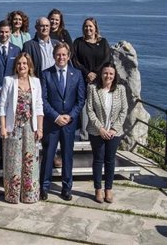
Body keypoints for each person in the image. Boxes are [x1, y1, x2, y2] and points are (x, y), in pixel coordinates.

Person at [40, 42, 86, 201]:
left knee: (67, 156)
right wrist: (56, 116)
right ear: (54, 56)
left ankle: (67, 188)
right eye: (58, 55)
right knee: (48, 155)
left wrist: (70, 116)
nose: (61, 57)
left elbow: (81, 100)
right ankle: (44, 187)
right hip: (52, 122)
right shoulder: (46, 74)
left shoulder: (77, 74)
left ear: (69, 56)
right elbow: (43, 99)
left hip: (69, 123)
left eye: (64, 55)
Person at [0, 53, 44, 204]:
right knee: (13, 161)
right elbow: (3, 105)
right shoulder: (9, 81)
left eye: (25, 63)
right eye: (19, 64)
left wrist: (40, 128)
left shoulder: (36, 82)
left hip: (30, 128)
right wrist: (3, 127)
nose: (22, 66)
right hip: (14, 127)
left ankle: (29, 194)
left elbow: (39, 106)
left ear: (29, 66)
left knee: (30, 160)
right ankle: (12, 195)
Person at [85, 62, 127, 204]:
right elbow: (89, 110)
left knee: (110, 160)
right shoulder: (92, 88)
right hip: (97, 131)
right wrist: (101, 129)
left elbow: (124, 110)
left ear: (114, 76)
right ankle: (98, 189)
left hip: (115, 132)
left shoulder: (120, 89)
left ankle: (108, 189)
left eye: (111, 73)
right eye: (105, 73)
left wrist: (114, 129)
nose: (108, 76)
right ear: (101, 74)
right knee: (98, 160)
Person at [0, 19, 21, 169]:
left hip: (11, 97)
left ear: (11, 33)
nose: (4, 34)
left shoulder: (16, 50)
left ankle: (8, 163)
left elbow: (18, 73)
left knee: (10, 130)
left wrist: (9, 90)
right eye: (2, 31)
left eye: (7, 32)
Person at [73, 17, 111, 141]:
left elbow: (106, 59)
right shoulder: (78, 42)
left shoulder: (103, 42)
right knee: (84, 108)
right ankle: (84, 135)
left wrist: (95, 73)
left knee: (99, 105)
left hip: (99, 80)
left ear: (95, 28)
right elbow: (74, 60)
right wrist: (87, 73)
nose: (88, 28)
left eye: (90, 26)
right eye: (86, 26)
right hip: (83, 80)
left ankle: (99, 132)